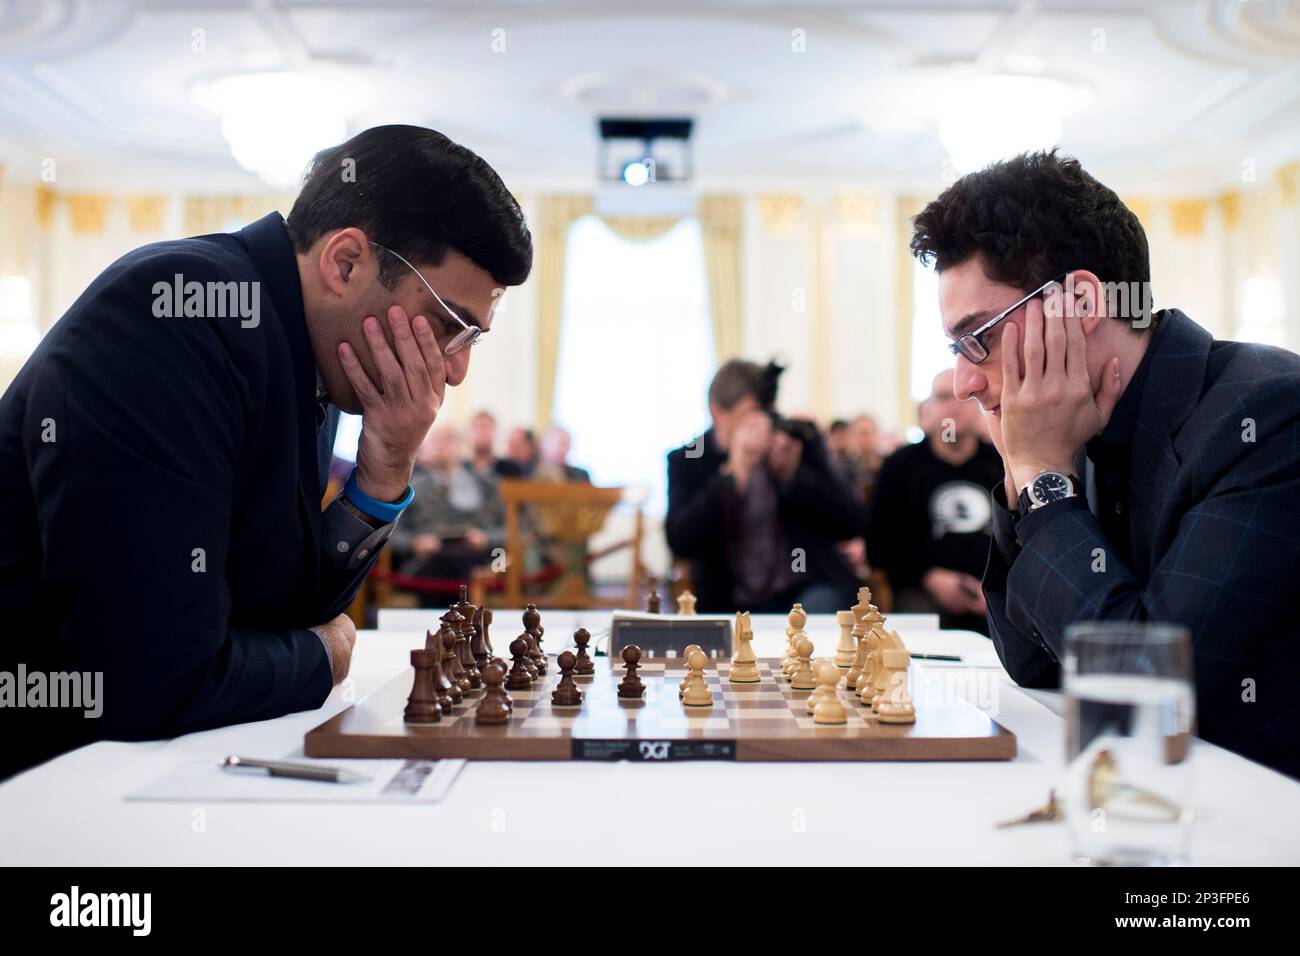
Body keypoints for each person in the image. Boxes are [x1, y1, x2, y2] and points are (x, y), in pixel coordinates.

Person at [0, 125, 532, 777]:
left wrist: (386, 468)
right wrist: (325, 656)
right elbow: (147, 685)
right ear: (345, 263)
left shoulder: (305, 346)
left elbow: (279, 607)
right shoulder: (174, 318)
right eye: (450, 327)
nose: (454, 374)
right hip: (42, 785)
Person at [911, 149, 1300, 778]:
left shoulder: (1266, 413)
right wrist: (1026, 472)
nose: (962, 383)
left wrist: (1041, 475)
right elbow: (1032, 661)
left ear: (1079, 303)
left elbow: (1145, 693)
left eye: (978, 338)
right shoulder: (1077, 420)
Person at [666, 359, 860, 614]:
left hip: (804, 588)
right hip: (726, 599)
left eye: (766, 413)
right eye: (749, 414)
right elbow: (681, 541)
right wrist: (733, 477)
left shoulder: (793, 442)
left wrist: (792, 475)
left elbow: (850, 522)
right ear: (718, 413)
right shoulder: (690, 459)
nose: (761, 424)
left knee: (821, 612)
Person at [867, 370, 1002, 633]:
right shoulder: (901, 465)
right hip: (922, 588)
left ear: (979, 408)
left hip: (993, 588)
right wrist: (930, 578)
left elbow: (1019, 538)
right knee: (922, 629)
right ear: (927, 411)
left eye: (964, 397)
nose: (954, 405)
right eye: (943, 397)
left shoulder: (999, 463)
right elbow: (880, 543)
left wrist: (994, 586)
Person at [390, 425, 505, 604]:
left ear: (462, 447)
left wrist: (486, 538)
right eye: (436, 439)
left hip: (474, 558)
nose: (441, 445)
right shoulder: (411, 486)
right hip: (427, 560)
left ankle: (458, 627)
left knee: (462, 562)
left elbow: (509, 529)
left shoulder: (486, 485)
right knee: (443, 563)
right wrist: (415, 543)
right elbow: (392, 533)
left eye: (449, 439)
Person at [467, 410, 523, 479]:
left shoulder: (511, 470)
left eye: (486, 427)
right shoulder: (461, 469)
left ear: (494, 432)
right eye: (479, 428)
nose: (483, 432)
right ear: (470, 433)